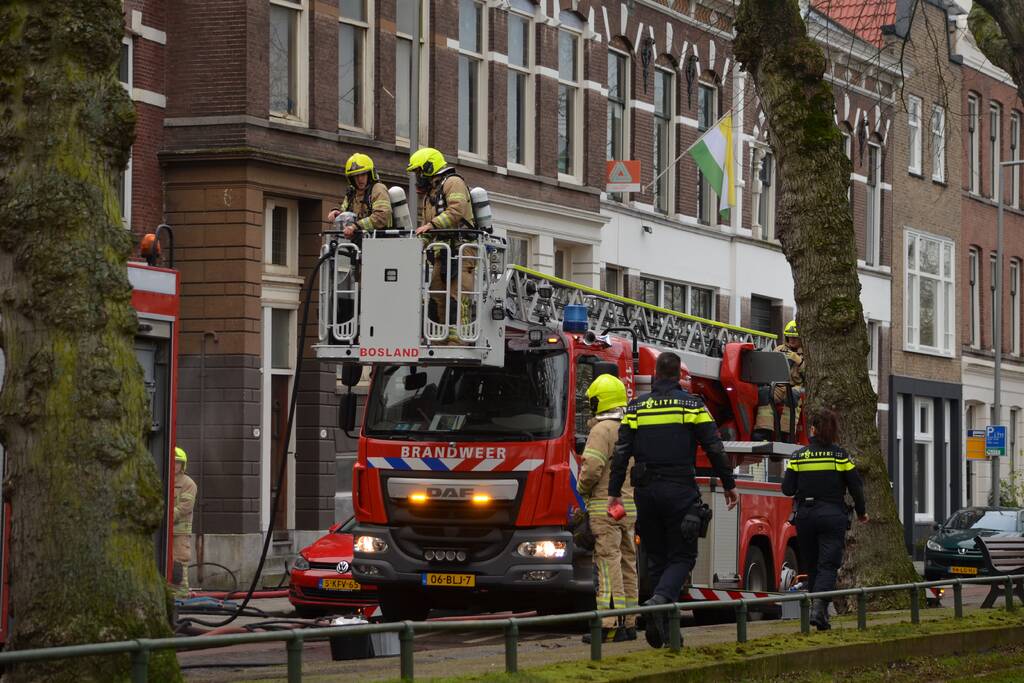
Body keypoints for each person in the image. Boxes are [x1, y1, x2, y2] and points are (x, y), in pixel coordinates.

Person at [608, 352, 738, 649]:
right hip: (679, 489)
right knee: (682, 557)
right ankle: (659, 602)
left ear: (655, 375)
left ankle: (665, 633)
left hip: (646, 492)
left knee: (656, 558)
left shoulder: (636, 406)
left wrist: (614, 491)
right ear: (679, 375)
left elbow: (621, 452)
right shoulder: (692, 405)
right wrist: (729, 485)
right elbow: (714, 448)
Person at [781, 408, 868, 631]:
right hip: (831, 515)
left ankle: (820, 615)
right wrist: (861, 511)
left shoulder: (799, 456)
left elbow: (787, 489)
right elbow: (856, 486)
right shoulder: (840, 456)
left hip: (806, 516)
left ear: (813, 429)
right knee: (828, 565)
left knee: (812, 565)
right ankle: (818, 609)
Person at [577, 374, 638, 644]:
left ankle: (608, 624)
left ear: (598, 401)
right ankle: (630, 621)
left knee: (606, 562)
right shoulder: (630, 426)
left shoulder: (601, 431)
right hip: (628, 507)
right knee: (628, 562)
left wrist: (581, 490)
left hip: (605, 506)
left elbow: (591, 469)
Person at [406, 147, 477, 343]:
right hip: (443, 252)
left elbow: (457, 210)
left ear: (430, 167)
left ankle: (459, 341)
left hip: (462, 250)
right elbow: (425, 228)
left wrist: (432, 225)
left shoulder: (453, 183)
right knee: (436, 295)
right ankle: (439, 340)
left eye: (419, 172)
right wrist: (413, 248)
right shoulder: (430, 195)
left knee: (457, 295)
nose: (417, 177)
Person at [754, 319, 805, 439]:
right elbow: (769, 368)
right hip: (779, 385)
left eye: (795, 338)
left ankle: (786, 433)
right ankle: (763, 430)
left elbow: (810, 375)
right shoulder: (779, 349)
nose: (791, 340)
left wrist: (799, 360)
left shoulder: (807, 353)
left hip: (797, 387)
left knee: (792, 396)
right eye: (789, 337)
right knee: (764, 393)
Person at [327, 152, 393, 239]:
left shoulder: (378, 189)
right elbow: (345, 213)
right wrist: (337, 214)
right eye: (356, 176)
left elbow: (381, 216)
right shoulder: (352, 193)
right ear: (351, 178)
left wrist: (356, 226)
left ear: (369, 174)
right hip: (357, 241)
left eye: (363, 174)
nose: (359, 179)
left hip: (380, 241)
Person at [173, 447, 198, 599]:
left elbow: (185, 506)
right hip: (163, 530)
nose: (175, 465)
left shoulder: (188, 483)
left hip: (180, 531)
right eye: (173, 462)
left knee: (180, 559)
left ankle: (181, 592)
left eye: (178, 462)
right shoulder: (163, 479)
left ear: (183, 465)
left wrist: (167, 515)